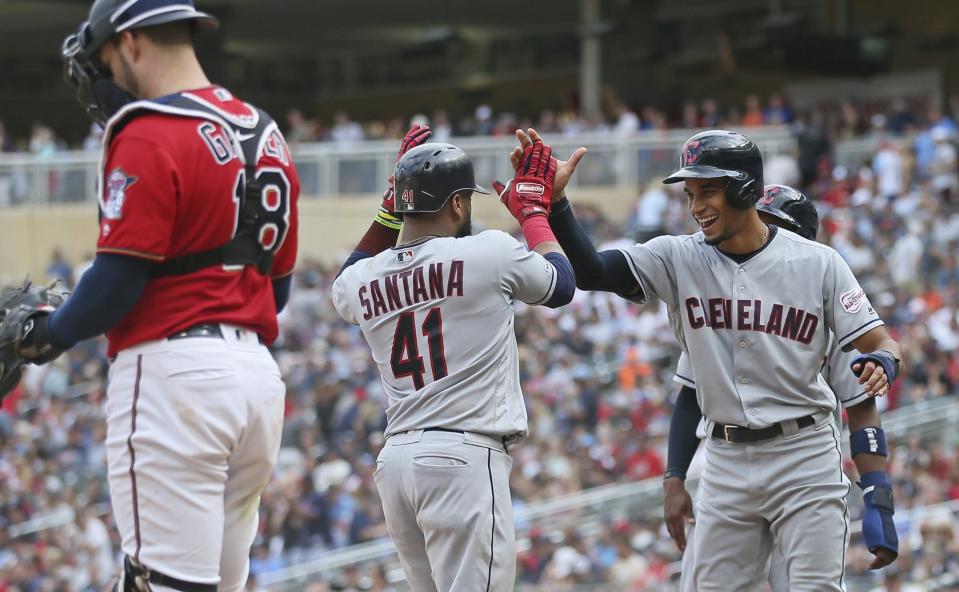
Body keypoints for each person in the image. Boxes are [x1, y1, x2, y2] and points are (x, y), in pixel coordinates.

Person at [518, 127, 902, 591]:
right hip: (724, 458)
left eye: (709, 191)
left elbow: (881, 346)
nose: (697, 206)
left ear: (744, 187)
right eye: (691, 194)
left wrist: (885, 365)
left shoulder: (819, 263)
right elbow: (592, 272)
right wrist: (558, 207)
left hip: (803, 453)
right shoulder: (678, 257)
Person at [18, 1, 299, 589]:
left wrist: (46, 334)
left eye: (104, 59)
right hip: (256, 380)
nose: (103, 74)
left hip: (176, 378)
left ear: (131, 43)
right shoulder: (265, 130)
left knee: (160, 583)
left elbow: (118, 279)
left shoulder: (148, 129)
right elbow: (277, 291)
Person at [331, 136, 578, 591]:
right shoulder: (488, 252)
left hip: (397, 465)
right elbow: (561, 285)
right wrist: (533, 212)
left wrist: (390, 208)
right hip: (461, 456)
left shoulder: (363, 279)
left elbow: (350, 270)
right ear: (459, 203)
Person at [664, 184, 897, 591]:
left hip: (801, 462)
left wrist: (878, 497)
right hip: (732, 465)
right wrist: (674, 476)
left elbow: (862, 410)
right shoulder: (722, 306)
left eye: (775, 226)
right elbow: (689, 396)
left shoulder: (822, 296)